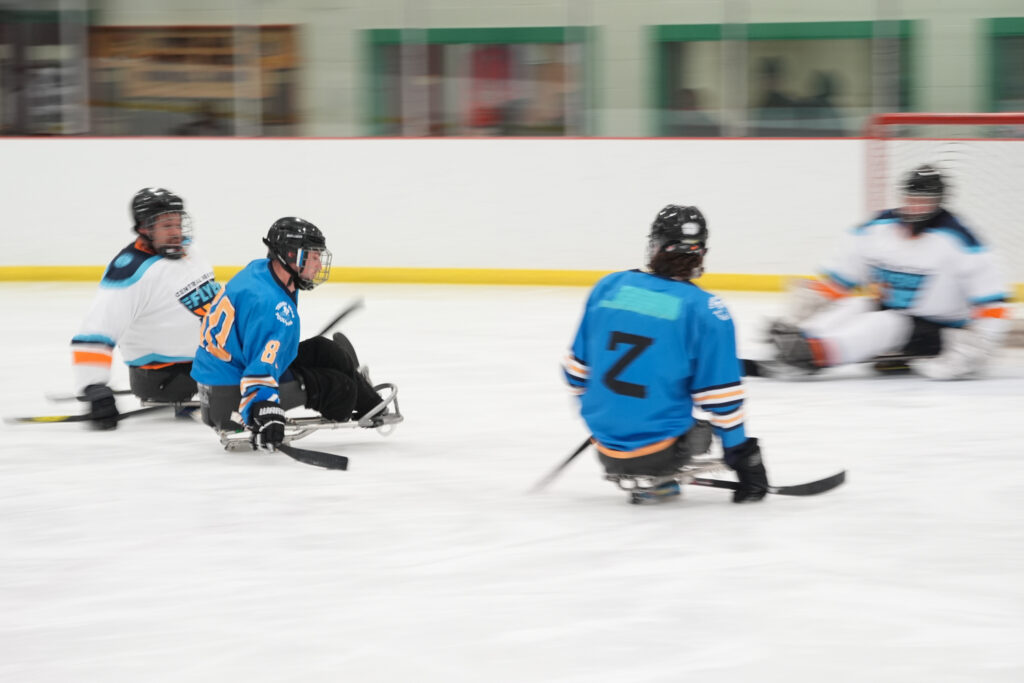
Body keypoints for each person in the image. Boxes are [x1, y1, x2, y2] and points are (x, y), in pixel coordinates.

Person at [562, 204, 769, 504]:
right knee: (703, 424)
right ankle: (658, 481)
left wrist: (609, 418)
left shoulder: (608, 286)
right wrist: (744, 457)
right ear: (700, 254)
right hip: (661, 453)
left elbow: (575, 374)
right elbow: (721, 400)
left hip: (604, 447)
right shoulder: (707, 309)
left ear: (655, 246)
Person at [767, 164, 1012, 380]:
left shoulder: (961, 241)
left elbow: (992, 301)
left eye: (924, 201)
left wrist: (982, 344)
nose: (915, 207)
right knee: (860, 305)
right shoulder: (878, 228)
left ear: (938, 202)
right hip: (894, 312)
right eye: (911, 199)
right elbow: (843, 276)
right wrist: (809, 306)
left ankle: (812, 354)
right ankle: (802, 337)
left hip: (942, 332)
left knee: (888, 323)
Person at [190, 217, 389, 451]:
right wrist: (265, 409)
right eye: (313, 257)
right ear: (292, 255)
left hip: (217, 381)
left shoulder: (260, 271)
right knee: (339, 387)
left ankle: (370, 402)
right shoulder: (274, 308)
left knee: (323, 350)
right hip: (230, 397)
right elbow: (258, 373)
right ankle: (355, 392)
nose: (319, 266)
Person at [70, 188, 220, 429]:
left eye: (178, 223)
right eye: (166, 226)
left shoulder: (189, 251)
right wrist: (94, 386)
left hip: (207, 362)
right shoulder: (130, 272)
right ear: (144, 228)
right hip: (168, 377)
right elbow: (95, 331)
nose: (176, 232)